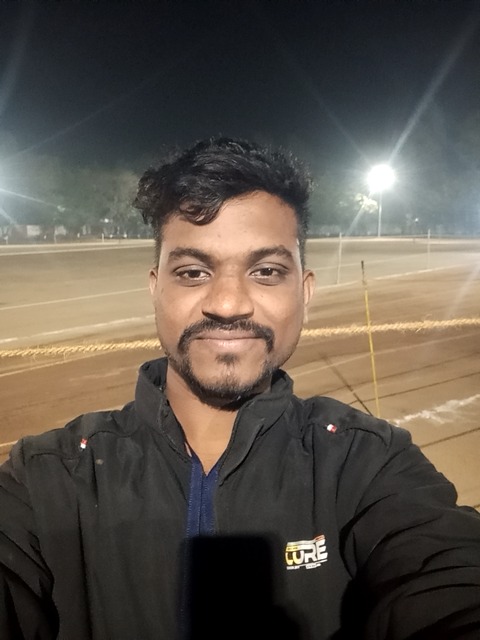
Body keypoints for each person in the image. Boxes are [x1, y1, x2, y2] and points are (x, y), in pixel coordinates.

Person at [1, 137, 480, 640]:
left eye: (266, 272)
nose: (228, 304)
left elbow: (447, 577)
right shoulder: (46, 477)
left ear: (305, 292)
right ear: (155, 288)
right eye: (192, 272)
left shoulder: (369, 464)